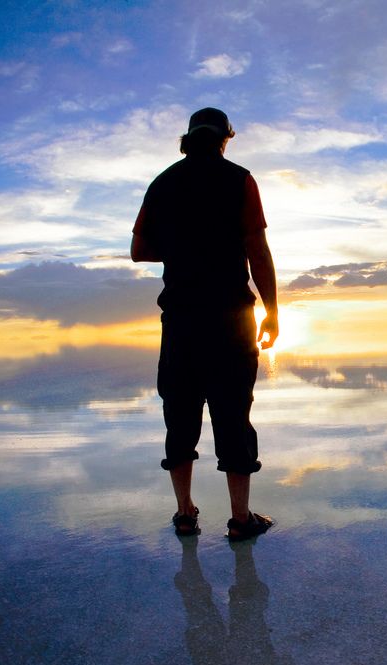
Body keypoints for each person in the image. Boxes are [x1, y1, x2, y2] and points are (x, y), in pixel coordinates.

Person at [131, 107, 278, 541]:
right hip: (231, 318)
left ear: (188, 137)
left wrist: (181, 248)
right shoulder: (240, 179)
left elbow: (139, 250)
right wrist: (272, 310)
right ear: (226, 137)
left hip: (180, 320)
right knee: (234, 414)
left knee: (179, 415)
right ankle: (240, 519)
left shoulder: (163, 183)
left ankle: (184, 514)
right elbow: (258, 250)